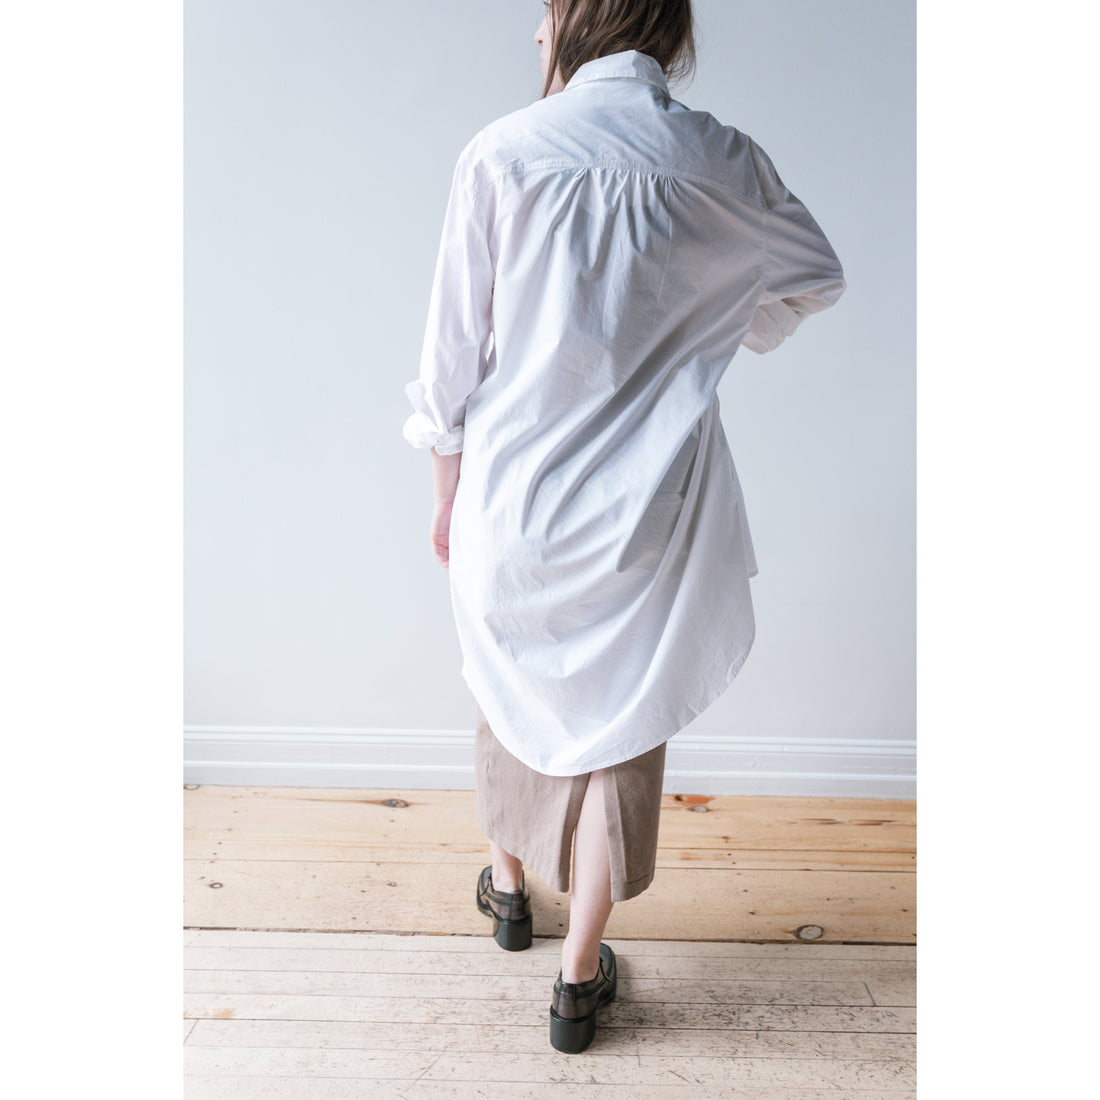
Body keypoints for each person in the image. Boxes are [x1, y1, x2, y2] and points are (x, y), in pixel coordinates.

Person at [402, 0, 845, 1054]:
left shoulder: (503, 151)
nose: (533, 33)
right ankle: (576, 976)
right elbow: (813, 278)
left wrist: (444, 492)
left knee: (506, 683)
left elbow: (449, 361)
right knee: (622, 722)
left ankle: (509, 889)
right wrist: (708, 316)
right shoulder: (723, 160)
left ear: (579, 16)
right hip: (651, 507)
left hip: (515, 493)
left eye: (544, 11)